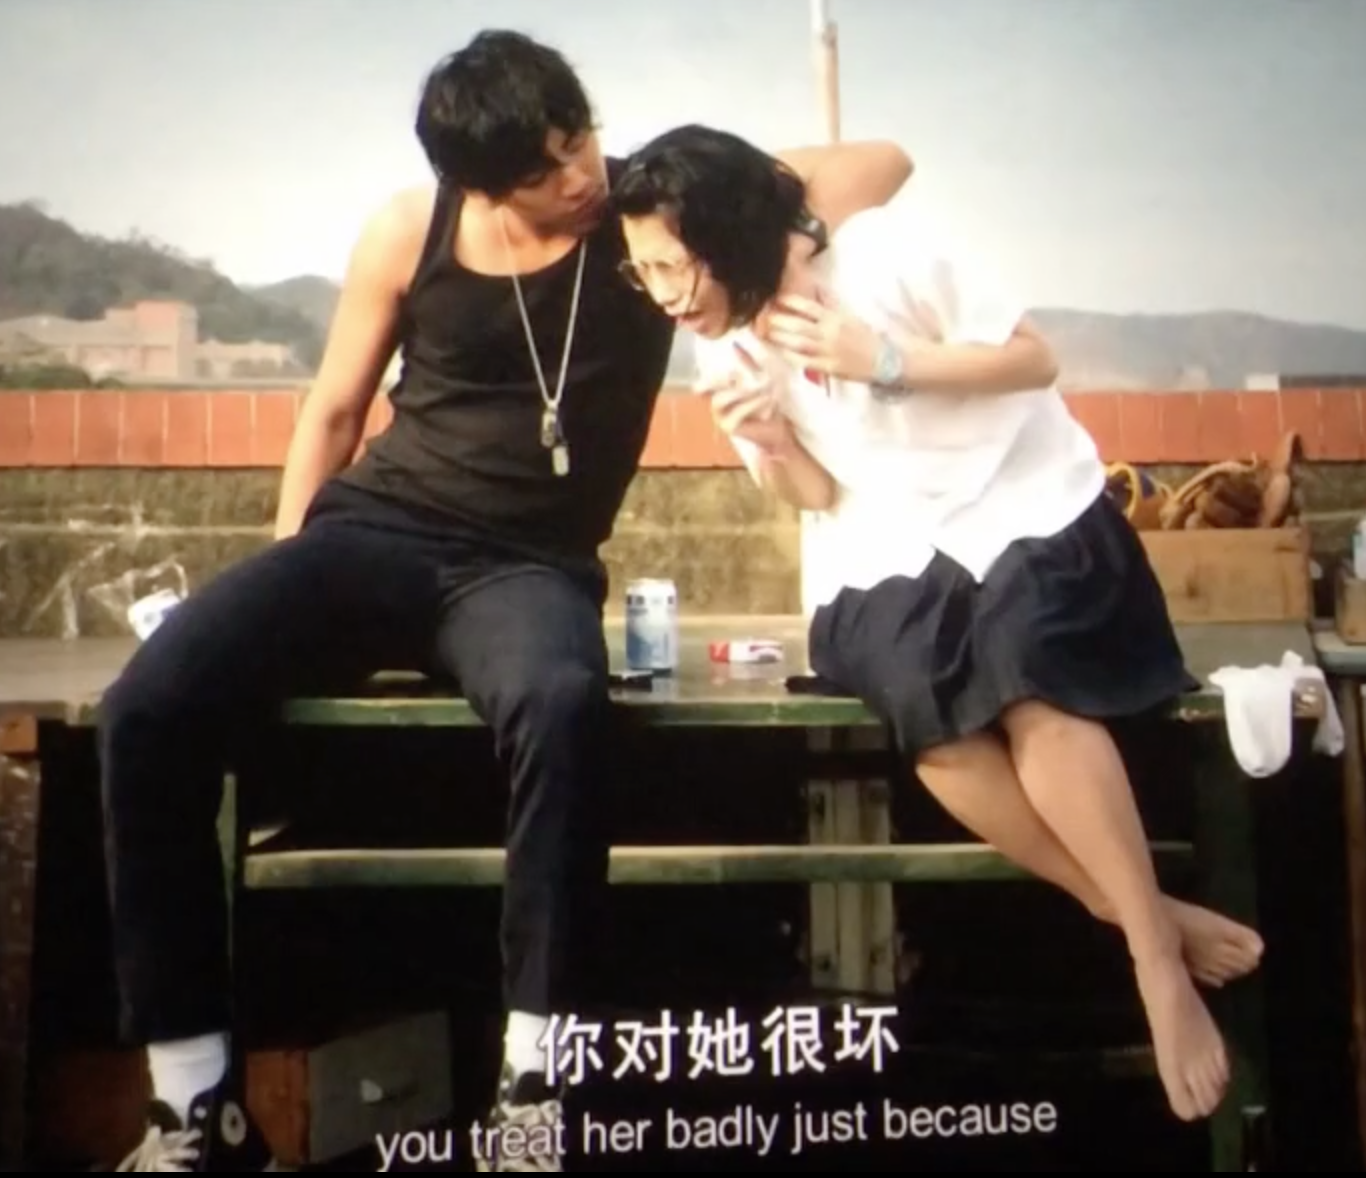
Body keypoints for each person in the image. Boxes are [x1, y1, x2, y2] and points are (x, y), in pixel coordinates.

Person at [94, 34, 911, 1173]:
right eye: (545, 167)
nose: (580, 174)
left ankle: (536, 1082)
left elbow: (883, 162)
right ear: (479, 182)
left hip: (524, 568)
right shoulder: (410, 230)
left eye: (580, 138)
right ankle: (197, 1107)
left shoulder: (646, 216)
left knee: (563, 704)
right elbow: (334, 412)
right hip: (372, 533)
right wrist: (284, 586)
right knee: (145, 705)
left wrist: (792, 240)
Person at [612, 123, 1265, 1124]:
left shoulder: (881, 253)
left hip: (1027, 507)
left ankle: (1152, 964)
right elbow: (816, 493)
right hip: (892, 546)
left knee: (1028, 683)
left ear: (727, 228)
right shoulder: (725, 348)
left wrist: (882, 358)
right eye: (644, 271)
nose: (663, 293)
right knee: (935, 726)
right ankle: (1135, 908)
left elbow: (1033, 361)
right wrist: (771, 440)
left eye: (672, 264)